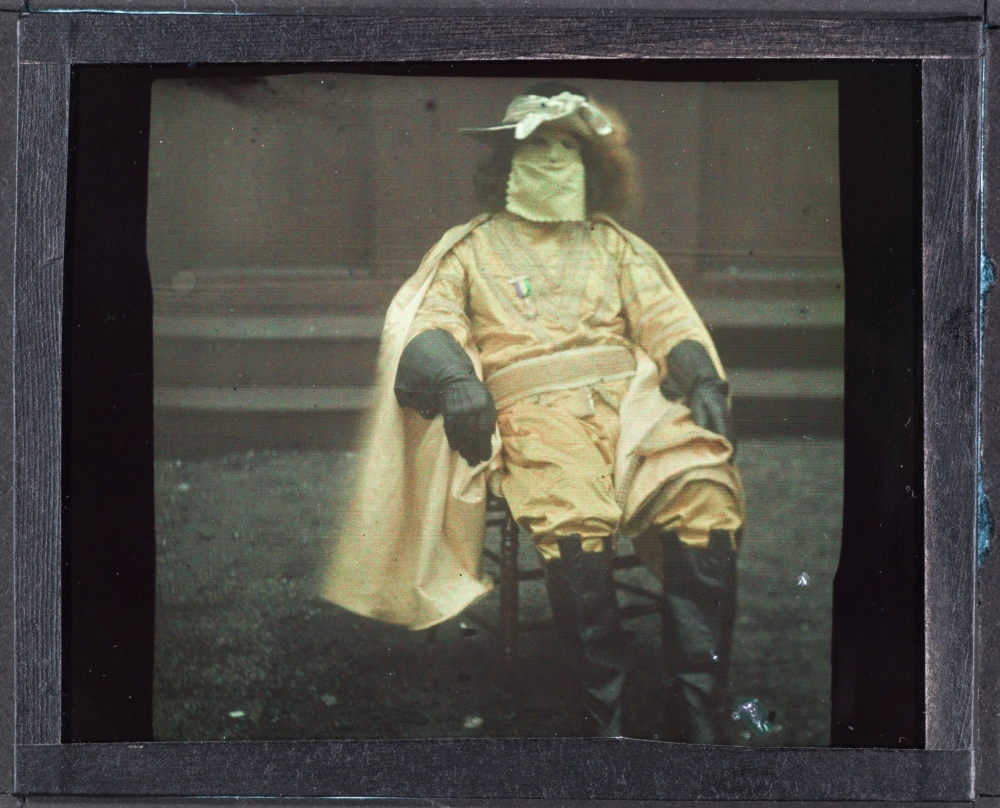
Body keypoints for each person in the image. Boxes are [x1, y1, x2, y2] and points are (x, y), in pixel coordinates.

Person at [321, 83, 745, 742]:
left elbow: (663, 316)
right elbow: (427, 321)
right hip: (538, 414)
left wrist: (701, 378)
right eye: (537, 143)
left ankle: (697, 709)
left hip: (633, 406)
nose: (553, 157)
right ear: (507, 161)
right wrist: (455, 379)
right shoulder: (470, 249)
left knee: (706, 499)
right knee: (574, 524)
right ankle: (605, 718)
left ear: (590, 162)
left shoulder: (614, 245)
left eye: (568, 145)